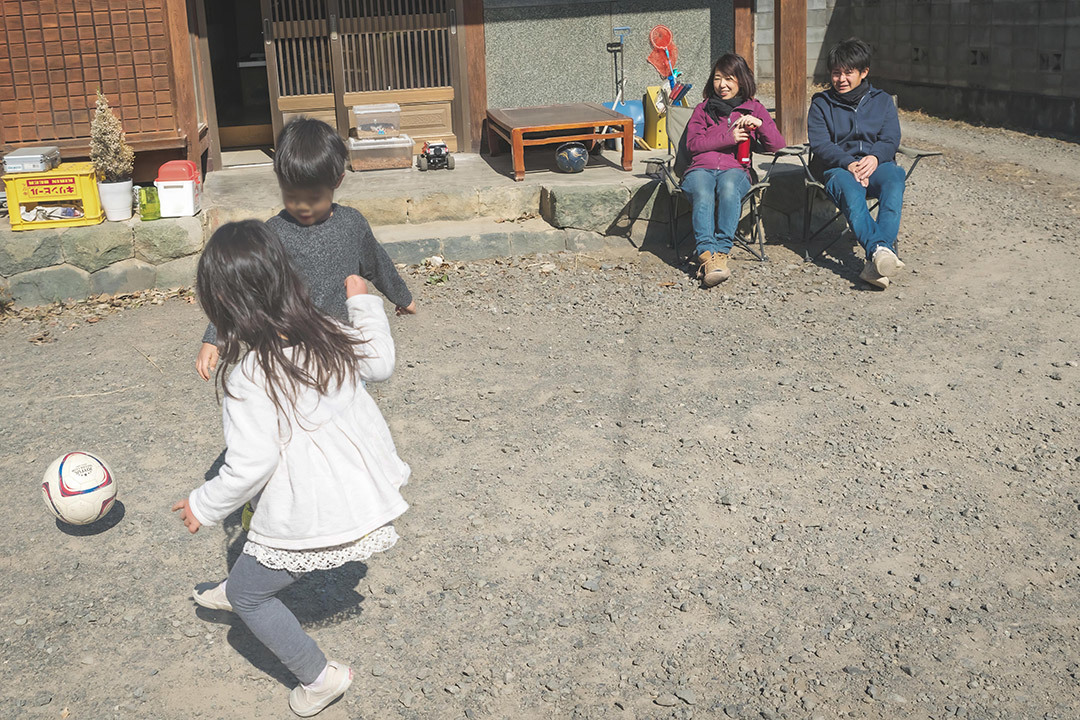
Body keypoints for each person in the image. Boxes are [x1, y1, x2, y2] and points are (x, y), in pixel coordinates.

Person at [173, 220, 410, 717]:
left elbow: (250, 465)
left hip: (315, 508)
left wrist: (203, 504)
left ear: (223, 307)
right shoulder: (330, 332)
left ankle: (320, 677)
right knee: (254, 546)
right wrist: (363, 302)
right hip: (357, 489)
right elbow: (382, 363)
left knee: (250, 595)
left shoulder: (248, 376)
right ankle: (241, 582)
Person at [195, 117, 416, 381]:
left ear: (338, 181)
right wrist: (215, 337)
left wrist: (403, 297)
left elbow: (377, 264)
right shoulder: (272, 234)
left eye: (314, 198)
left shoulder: (352, 225)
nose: (303, 207)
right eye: (292, 196)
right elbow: (242, 286)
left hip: (340, 346)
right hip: (289, 353)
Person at [807, 37, 906, 289]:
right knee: (851, 191)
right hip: (837, 168)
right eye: (836, 73)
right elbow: (820, 144)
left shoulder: (882, 100)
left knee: (895, 177)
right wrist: (849, 163)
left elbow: (891, 138)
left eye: (848, 73)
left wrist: (874, 158)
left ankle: (877, 259)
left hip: (874, 166)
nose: (841, 79)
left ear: (864, 72)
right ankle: (880, 251)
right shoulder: (821, 103)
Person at [683, 52, 785, 286]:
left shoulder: (754, 109)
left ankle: (721, 253)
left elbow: (777, 146)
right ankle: (707, 256)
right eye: (718, 78)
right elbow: (692, 145)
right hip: (700, 168)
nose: (722, 85)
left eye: (729, 78)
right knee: (703, 191)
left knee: (729, 188)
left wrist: (761, 124)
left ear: (741, 80)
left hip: (735, 170)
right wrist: (727, 137)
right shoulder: (703, 109)